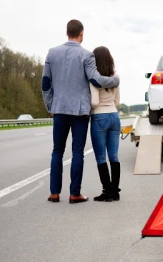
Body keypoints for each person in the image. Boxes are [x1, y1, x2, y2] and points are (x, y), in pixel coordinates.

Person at [42, 20, 120, 204]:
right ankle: (74, 193)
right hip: (79, 112)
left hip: (59, 109)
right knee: (78, 151)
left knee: (57, 151)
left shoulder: (52, 53)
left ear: (66, 32)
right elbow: (96, 79)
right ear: (81, 34)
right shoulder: (86, 55)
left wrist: (50, 106)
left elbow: (45, 84)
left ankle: (54, 193)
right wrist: (115, 81)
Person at [90, 46, 121, 202]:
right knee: (114, 156)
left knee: (101, 157)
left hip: (99, 117)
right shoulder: (114, 77)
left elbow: (94, 102)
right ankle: (115, 192)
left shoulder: (94, 78)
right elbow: (117, 101)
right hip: (114, 116)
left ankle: (106, 192)